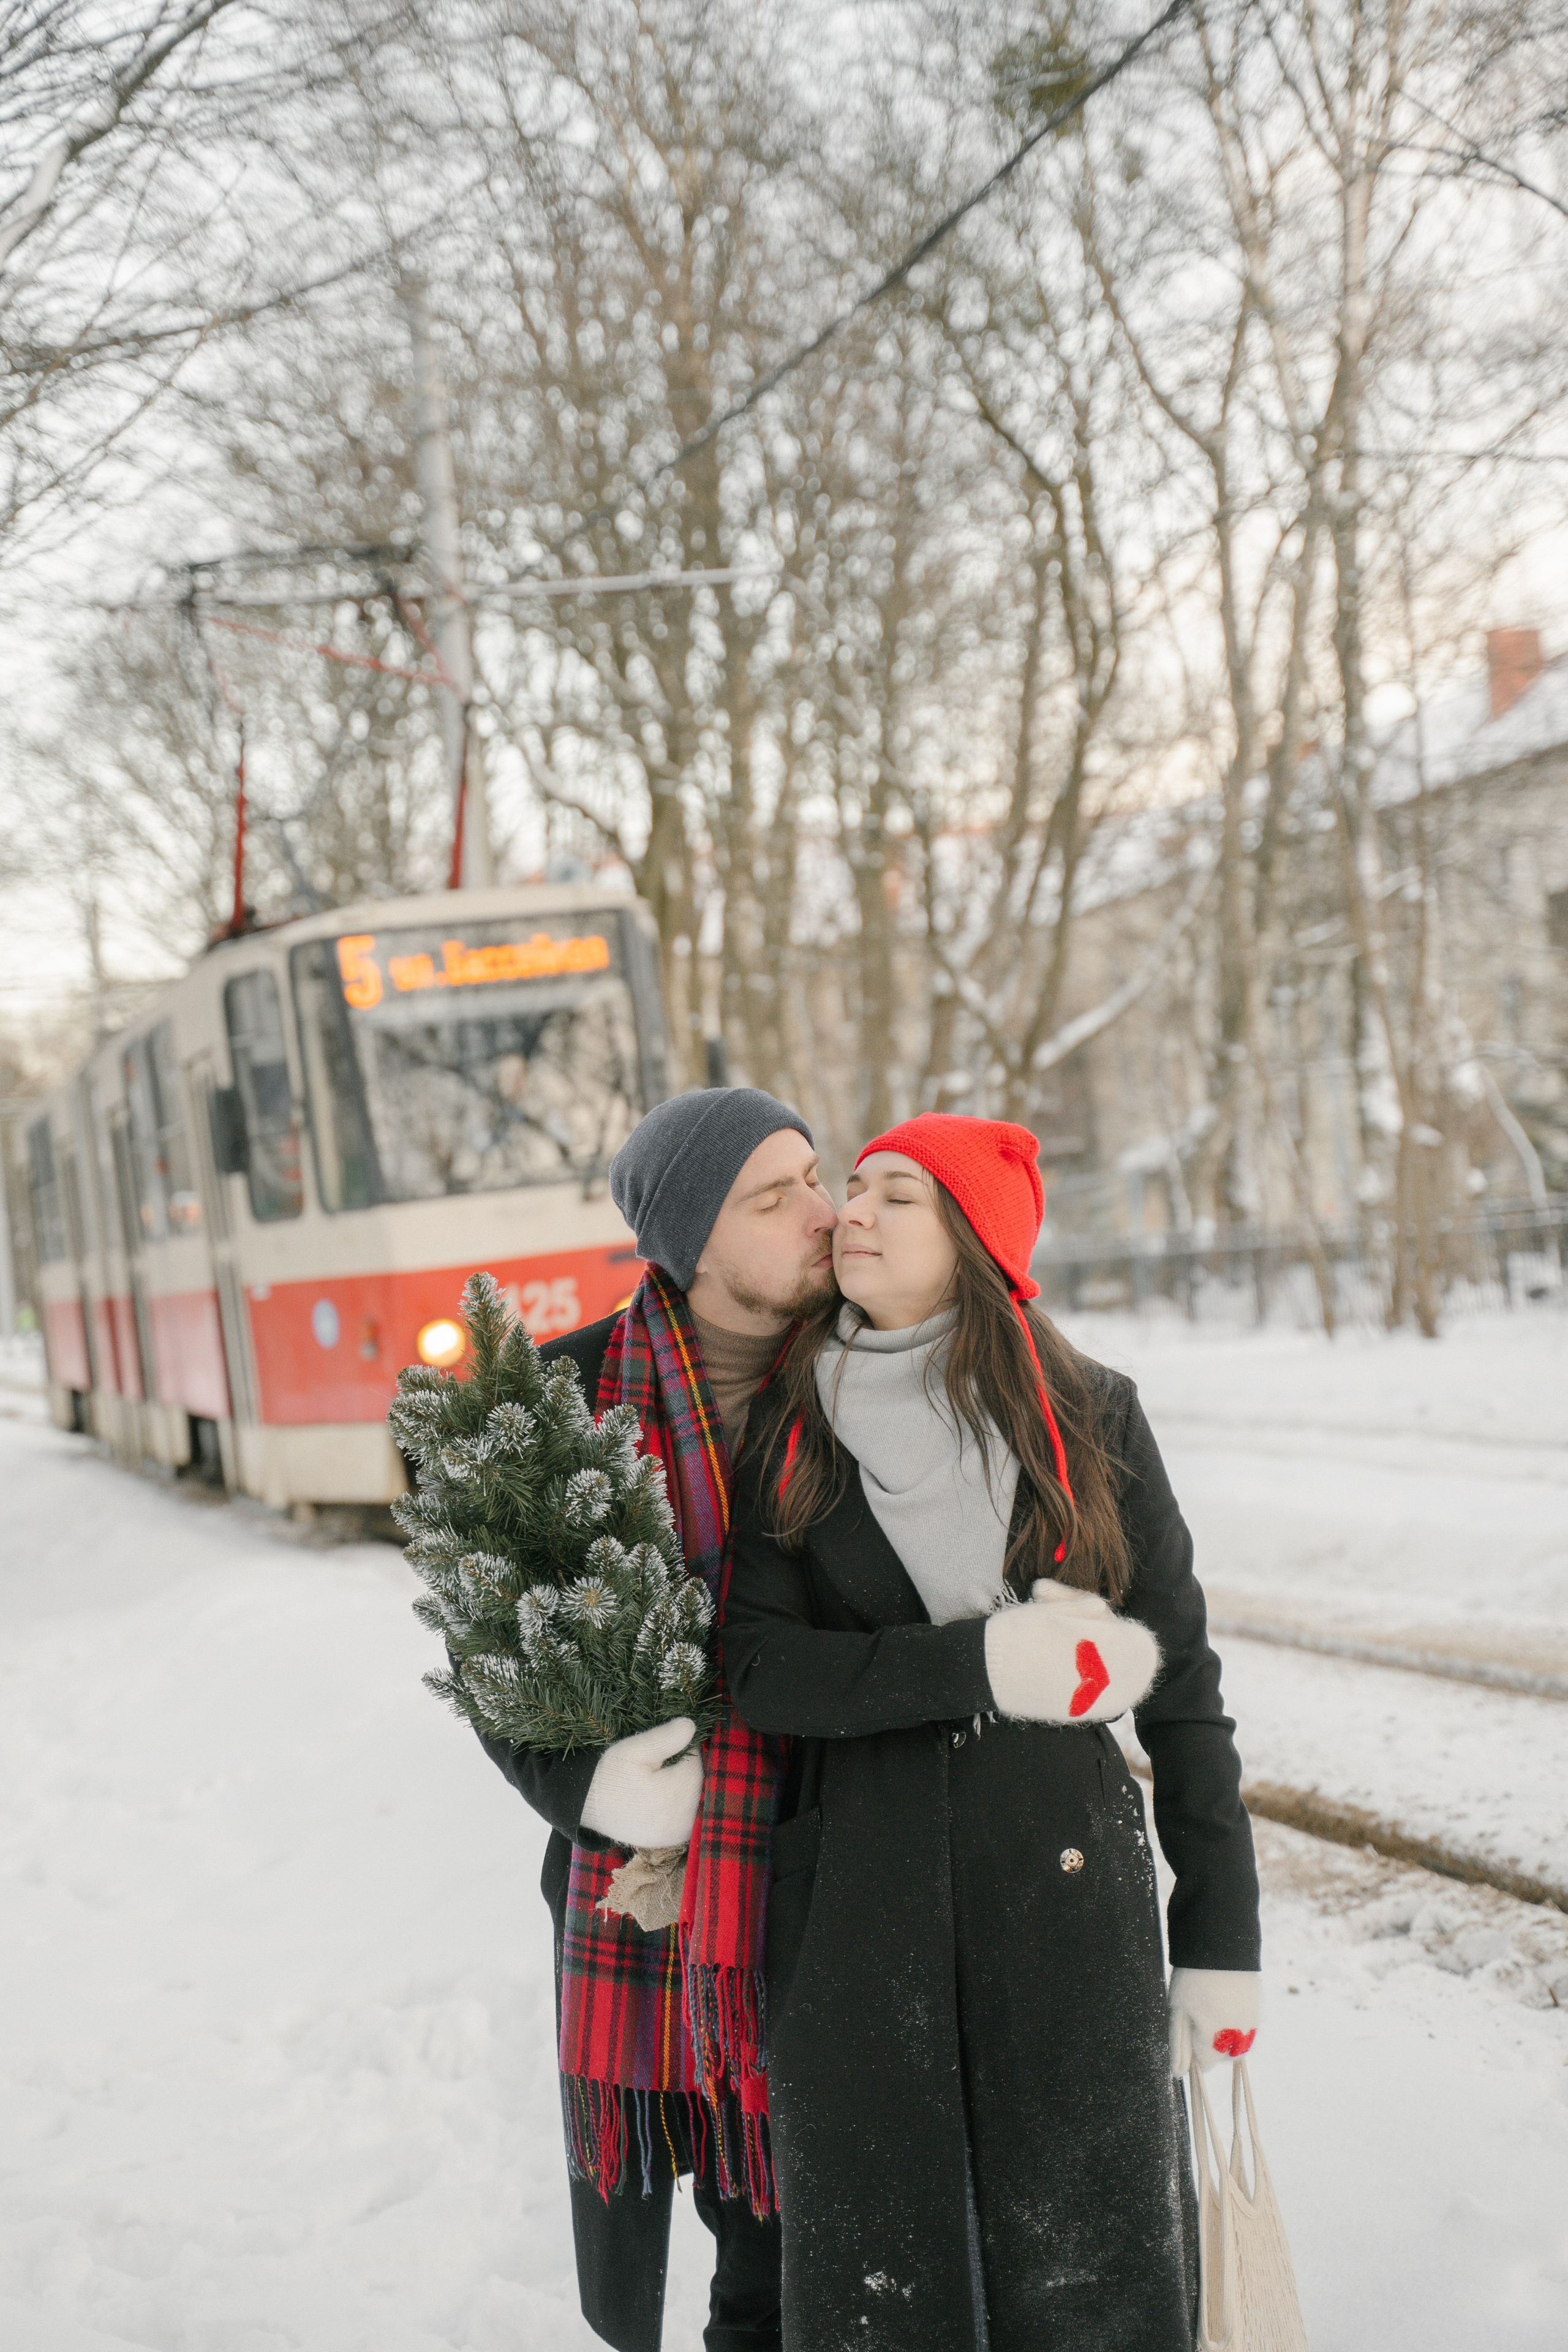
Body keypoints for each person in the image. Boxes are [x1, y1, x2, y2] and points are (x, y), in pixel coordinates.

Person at [722, 1114, 1262, 2352]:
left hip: (1066, 1905)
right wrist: (975, 1662)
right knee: (885, 2296)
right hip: (858, 1920)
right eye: (849, 1190)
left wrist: (1219, 1934)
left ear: (970, 1238)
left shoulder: (1087, 1416)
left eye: (891, 1196)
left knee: (1094, 2280)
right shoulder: (784, 1423)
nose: (848, 1213)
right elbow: (759, 1670)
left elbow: (1180, 1688)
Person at [467, 1085, 837, 2352]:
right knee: (738, 2196)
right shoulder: (561, 1407)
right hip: (650, 1898)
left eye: (815, 1175)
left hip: (838, 1876)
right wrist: (596, 1794)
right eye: (773, 1195)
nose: (821, 1213)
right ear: (688, 1237)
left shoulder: (867, 1373)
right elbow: (496, 1661)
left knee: (799, 2242)